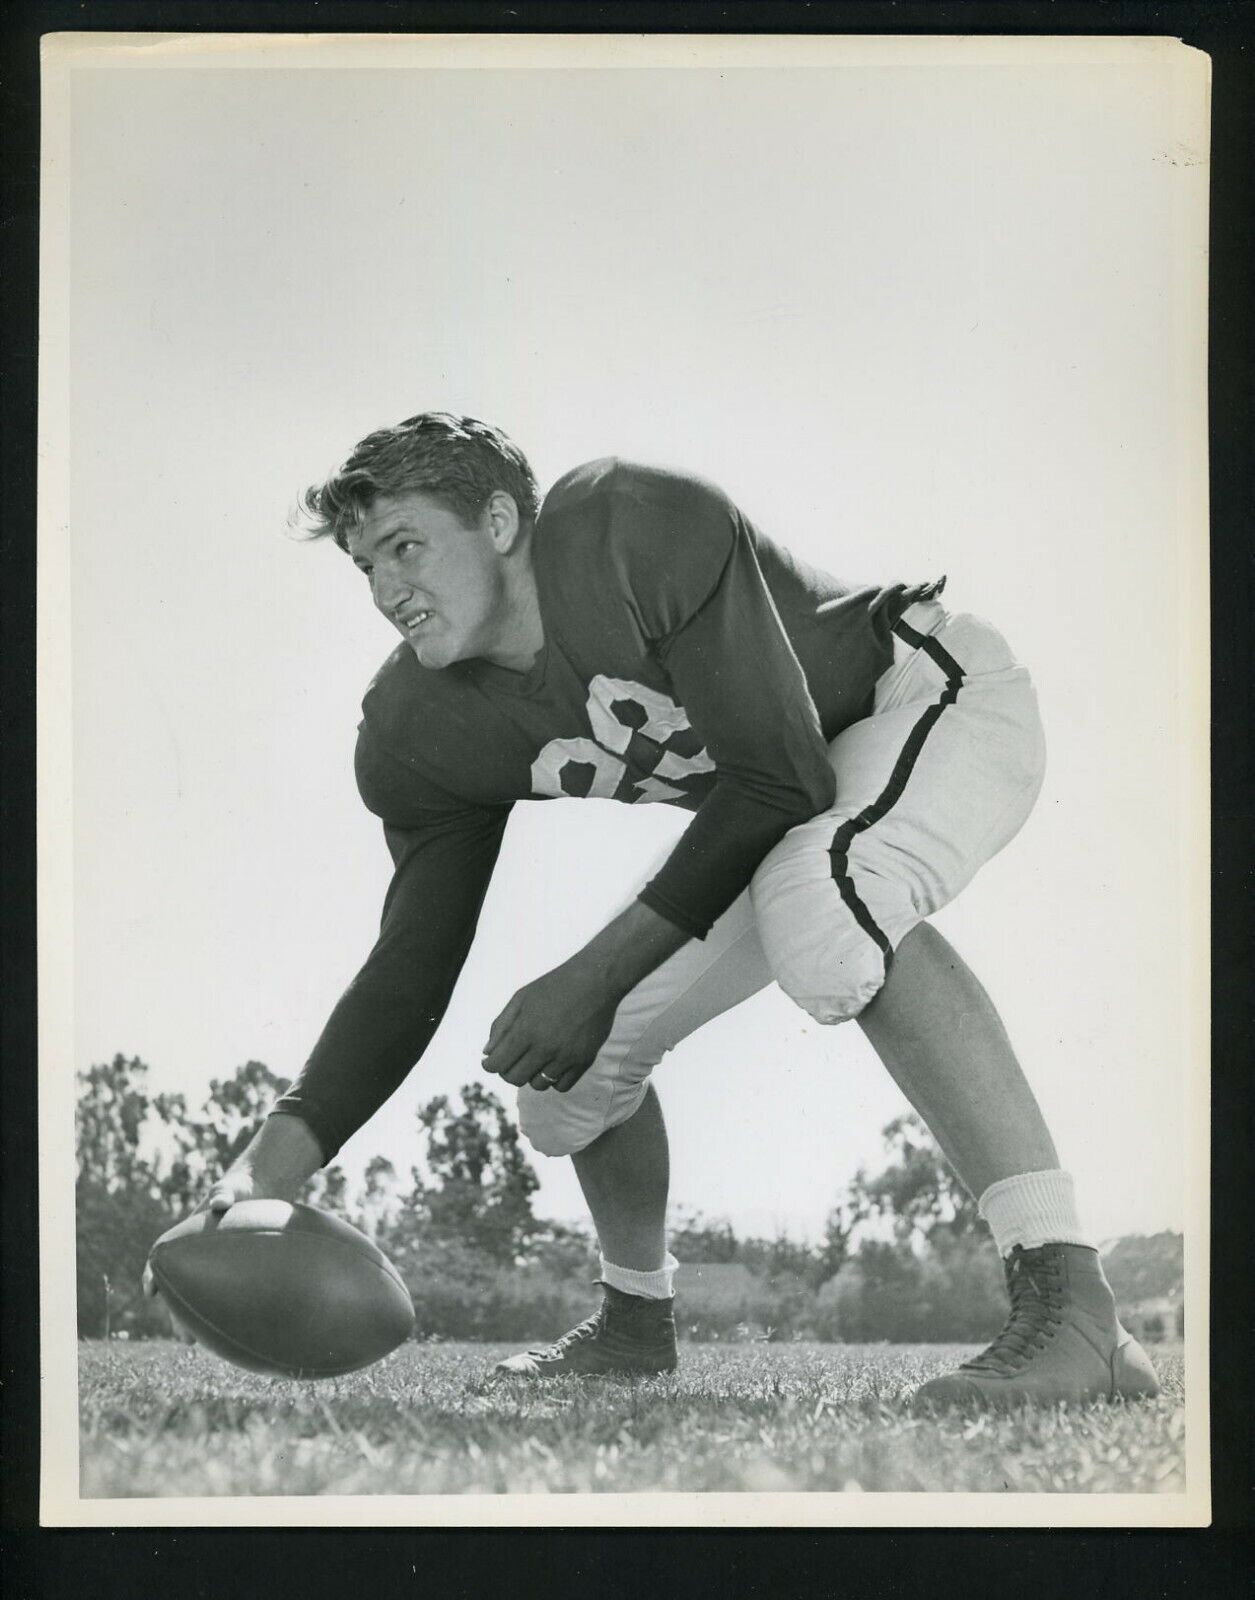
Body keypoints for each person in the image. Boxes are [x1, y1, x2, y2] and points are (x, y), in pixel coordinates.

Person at [176, 412, 1160, 1410]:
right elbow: (412, 960)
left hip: (915, 695)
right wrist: (265, 1168)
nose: (388, 592)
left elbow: (781, 774)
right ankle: (633, 1325)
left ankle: (1075, 1305)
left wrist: (595, 975)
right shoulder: (415, 725)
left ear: (503, 520)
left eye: (405, 546)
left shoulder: (623, 523)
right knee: (568, 1084)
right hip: (781, 813)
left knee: (826, 905)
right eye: (365, 567)